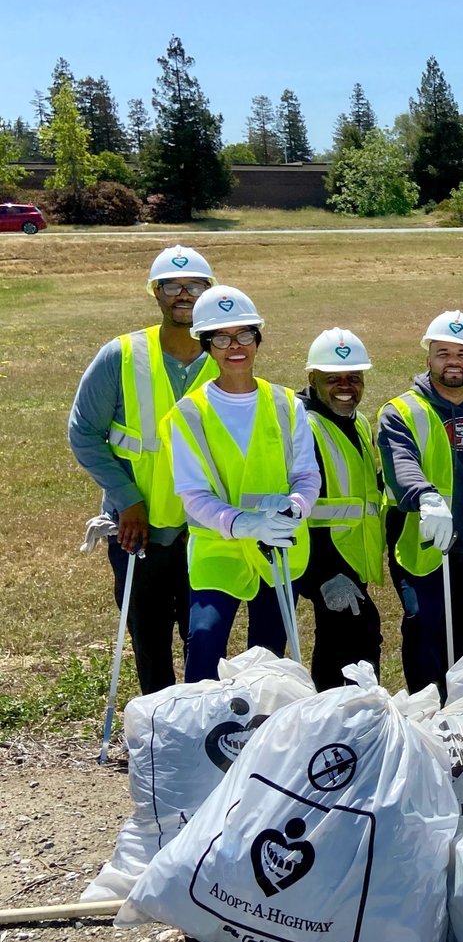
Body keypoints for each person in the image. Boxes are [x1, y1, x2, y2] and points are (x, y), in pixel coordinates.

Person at [67, 245, 218, 694]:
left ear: (211, 291)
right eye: (172, 285)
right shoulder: (121, 355)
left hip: (205, 528)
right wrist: (127, 499)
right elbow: (83, 434)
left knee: (206, 637)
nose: (184, 294)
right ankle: (157, 732)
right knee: (149, 638)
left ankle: (201, 730)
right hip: (139, 527)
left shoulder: (227, 357)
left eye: (195, 285)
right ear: (156, 292)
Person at [165, 286, 321, 682]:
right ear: (207, 346)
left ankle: (256, 736)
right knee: (203, 640)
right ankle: (200, 733)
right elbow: (193, 495)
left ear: (258, 339)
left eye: (244, 335)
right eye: (221, 338)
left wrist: (294, 509)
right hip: (219, 548)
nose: (235, 346)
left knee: (268, 657)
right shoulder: (188, 414)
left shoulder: (287, 404)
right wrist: (245, 524)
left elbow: (306, 475)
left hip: (278, 549)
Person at [377, 310, 463, 699]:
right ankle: (424, 707)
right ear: (428, 357)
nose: (453, 361)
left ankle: (451, 702)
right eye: (443, 352)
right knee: (424, 622)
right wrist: (426, 496)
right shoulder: (400, 412)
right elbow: (400, 465)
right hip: (423, 545)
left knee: (457, 626)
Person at [294, 328, 385, 690]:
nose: (346, 387)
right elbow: (297, 507)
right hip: (323, 562)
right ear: (312, 378)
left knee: (347, 639)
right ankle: (339, 719)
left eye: (354, 378)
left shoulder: (357, 422)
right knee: (348, 641)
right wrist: (321, 576)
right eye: (334, 379)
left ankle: (345, 719)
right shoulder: (302, 426)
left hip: (352, 556)